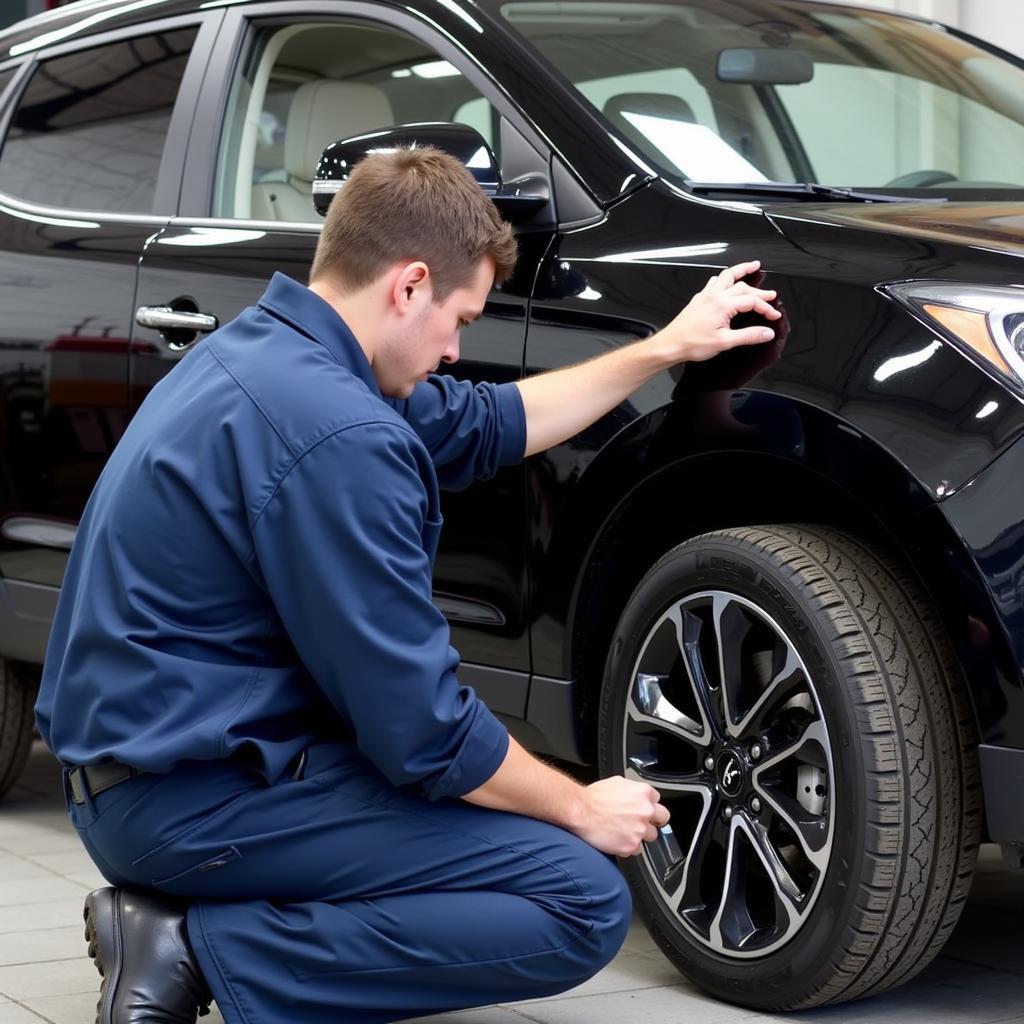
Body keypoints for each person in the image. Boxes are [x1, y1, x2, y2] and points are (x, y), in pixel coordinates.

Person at [34, 147, 781, 1024]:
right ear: (410, 284)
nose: (458, 348)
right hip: (184, 804)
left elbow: (496, 421)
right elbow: (423, 733)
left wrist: (665, 349)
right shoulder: (333, 431)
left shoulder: (270, 354)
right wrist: (582, 804)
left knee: (514, 828)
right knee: (577, 896)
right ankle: (198, 950)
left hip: (147, 776)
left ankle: (198, 927)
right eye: (458, 317)